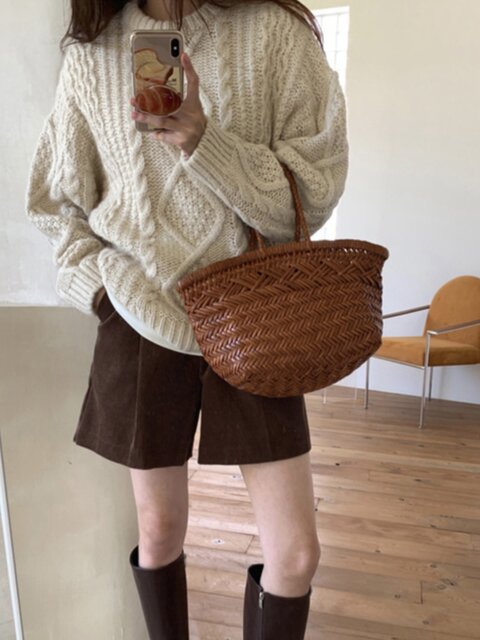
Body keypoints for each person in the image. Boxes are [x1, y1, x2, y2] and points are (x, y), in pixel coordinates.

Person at [25, 0, 348, 637]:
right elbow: (55, 202)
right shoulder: (91, 55)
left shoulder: (275, 32)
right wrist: (100, 291)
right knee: (158, 528)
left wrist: (206, 139)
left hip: (254, 310)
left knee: (295, 554)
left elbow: (314, 191)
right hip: (138, 315)